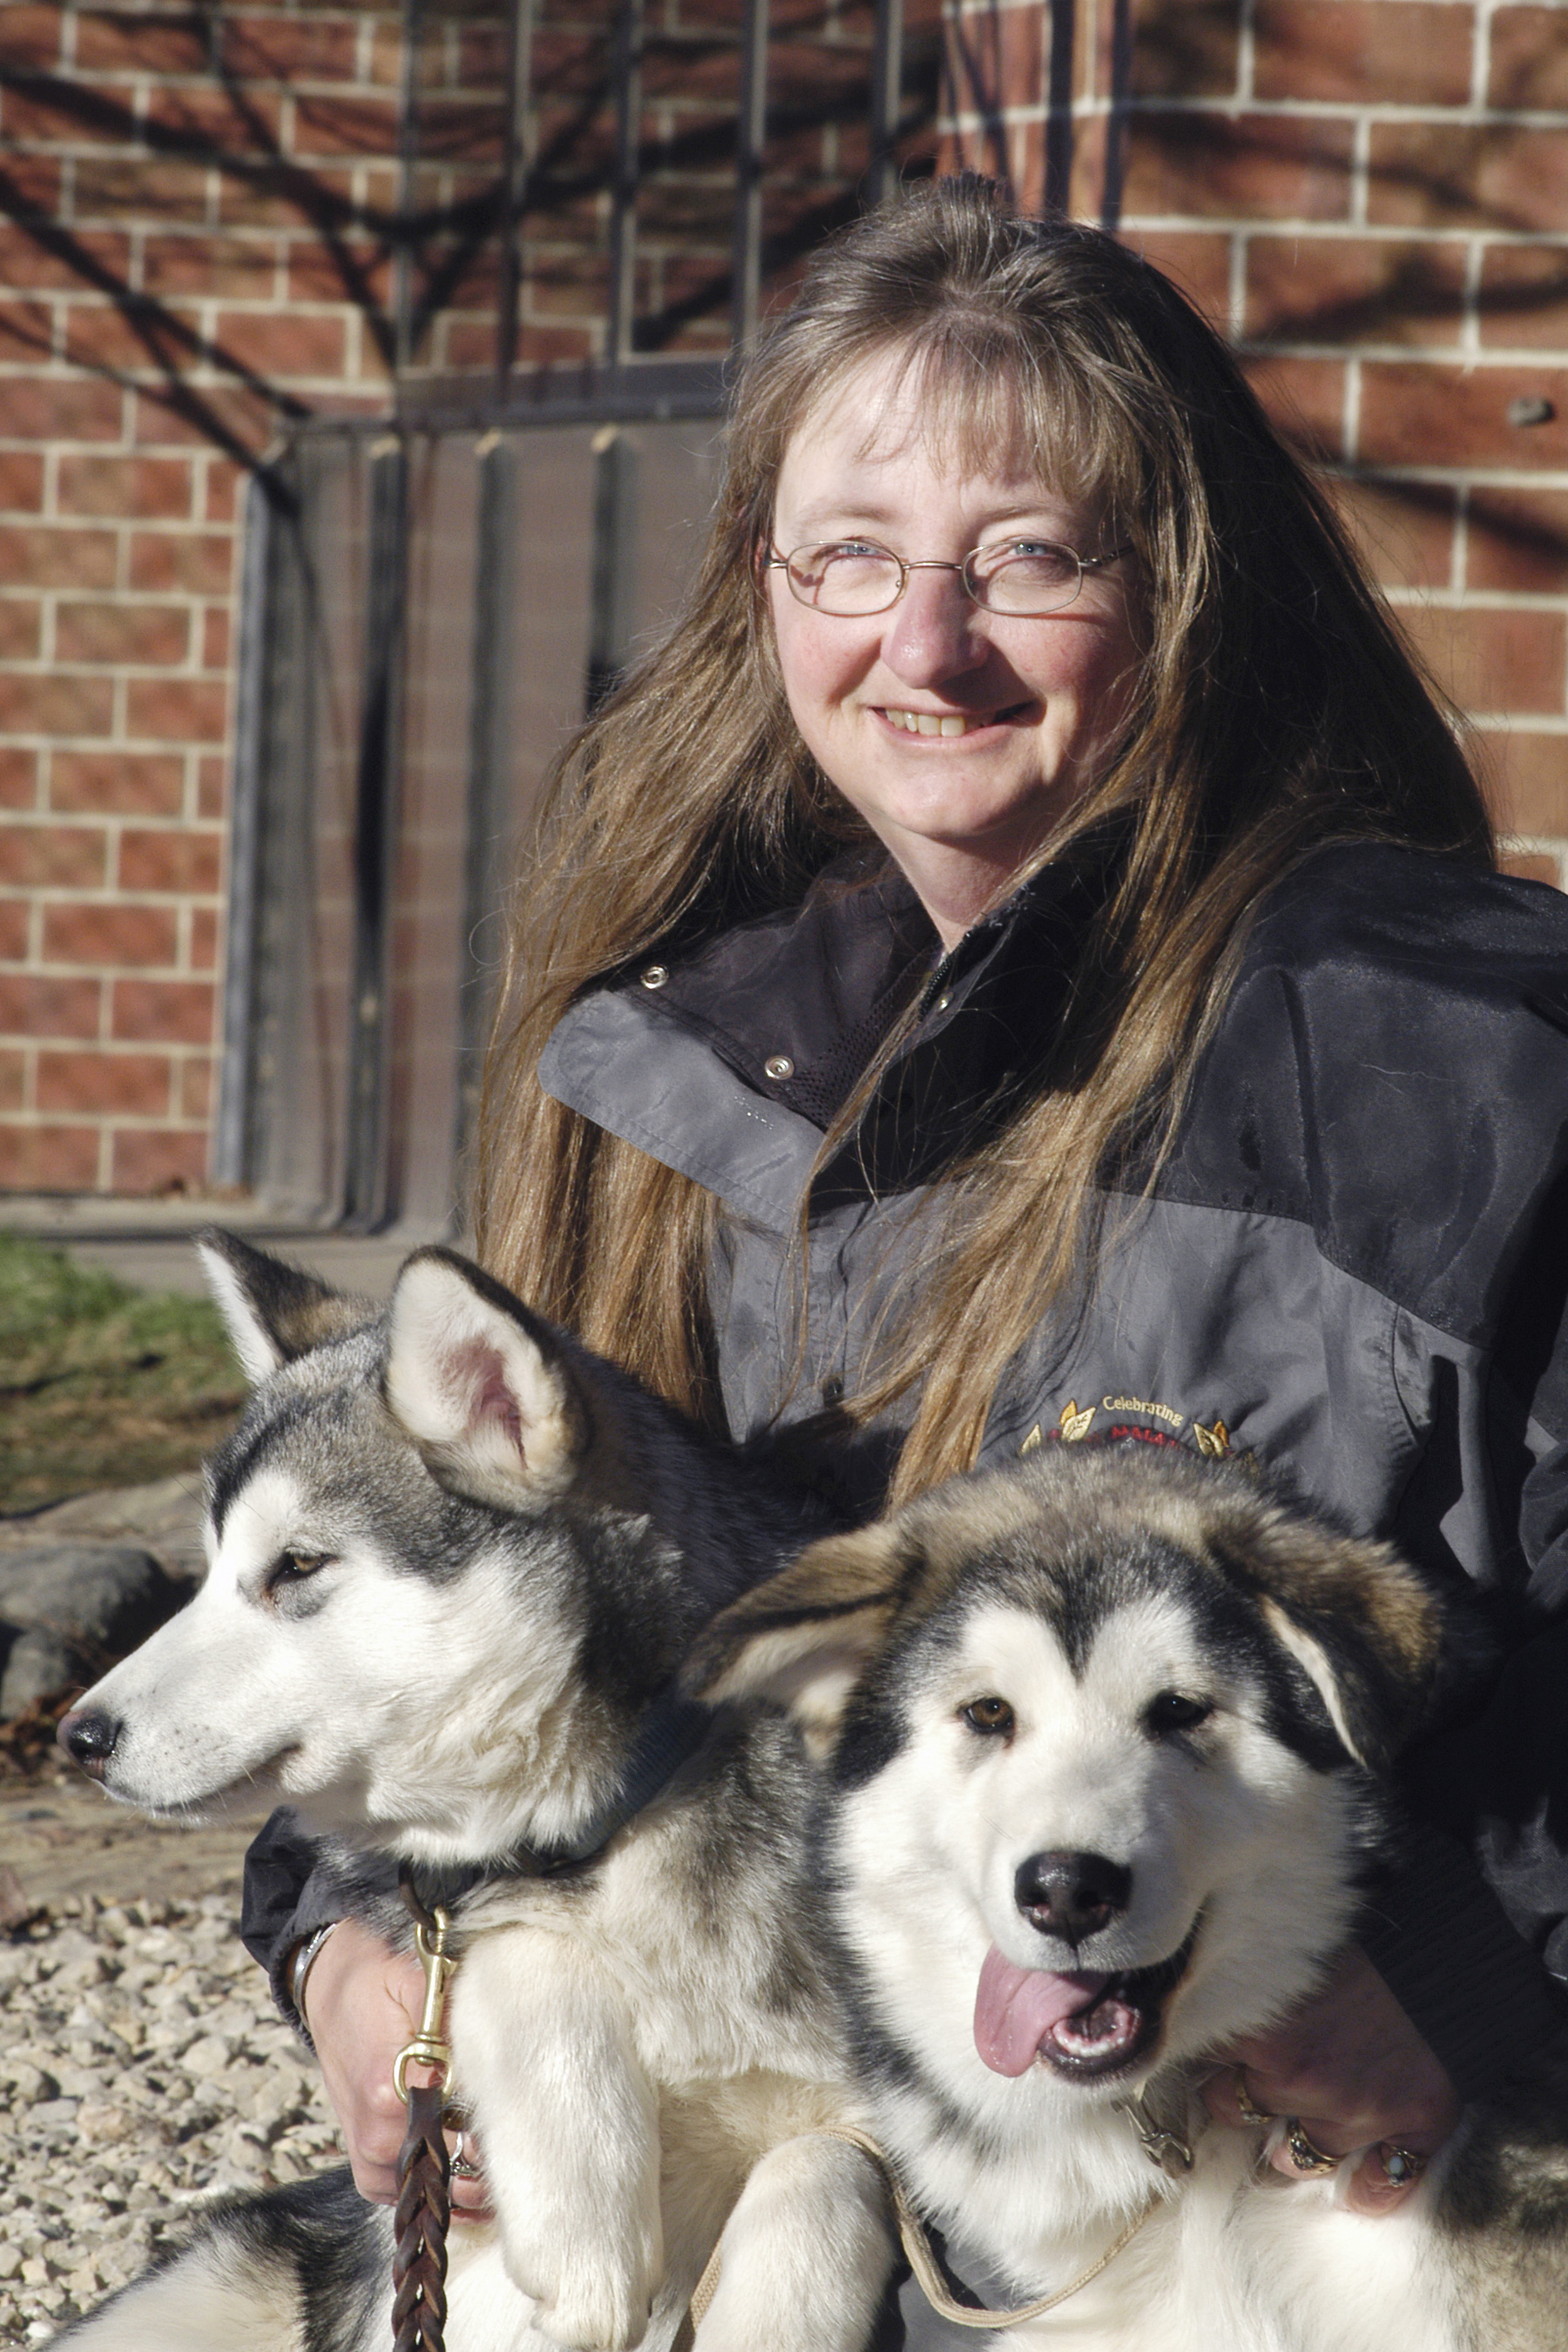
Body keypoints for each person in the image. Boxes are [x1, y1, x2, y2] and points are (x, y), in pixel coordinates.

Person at [241, 176, 1568, 2338]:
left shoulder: (1460, 1059)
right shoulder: (665, 1047)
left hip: (1349, 2209)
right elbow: (470, 1572)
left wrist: (1456, 1988)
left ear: (1192, 589)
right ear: (762, 587)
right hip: (816, 2181)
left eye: (1033, 558)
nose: (922, 644)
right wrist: (354, 1941)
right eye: (849, 556)